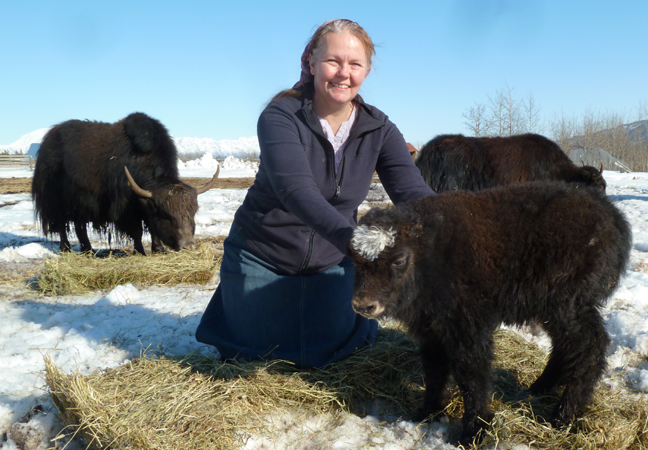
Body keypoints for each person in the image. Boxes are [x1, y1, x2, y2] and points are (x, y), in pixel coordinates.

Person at [195, 19, 434, 368]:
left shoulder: (378, 128)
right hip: (265, 254)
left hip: (332, 261)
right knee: (261, 355)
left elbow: (412, 191)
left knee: (336, 351)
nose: (343, 73)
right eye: (333, 61)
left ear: (367, 70)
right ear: (311, 62)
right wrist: (355, 242)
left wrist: (454, 225)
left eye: (355, 64)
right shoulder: (281, 116)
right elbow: (296, 191)